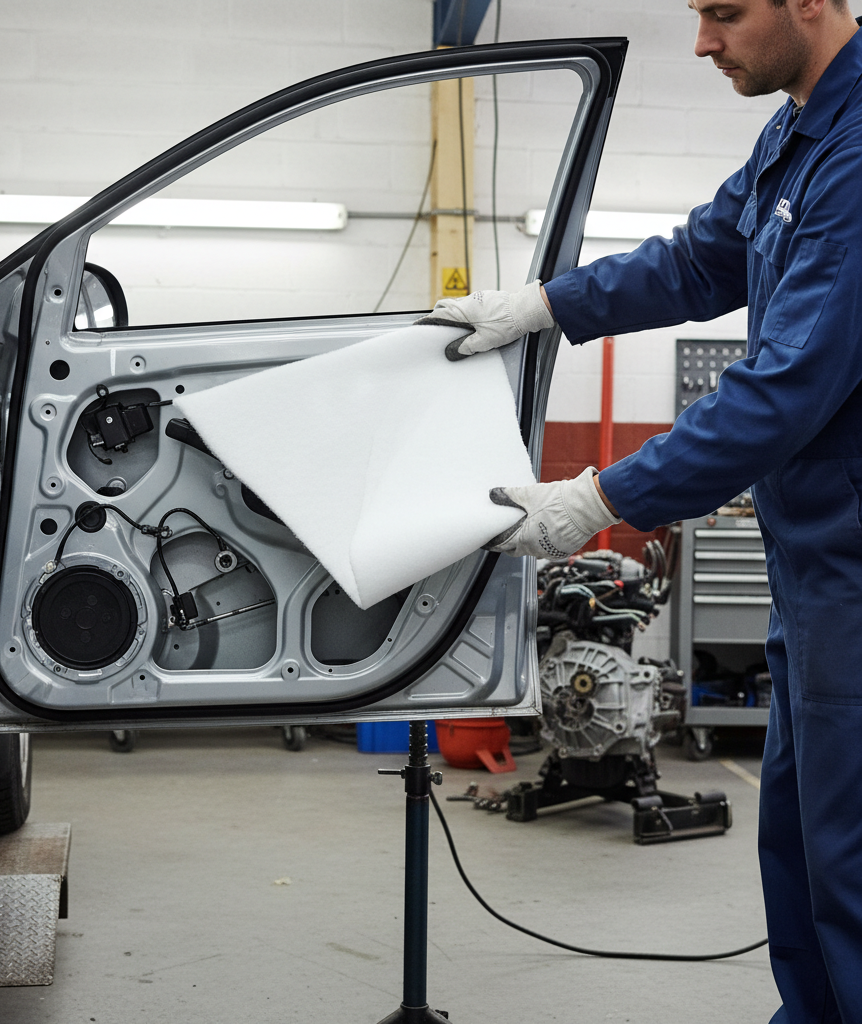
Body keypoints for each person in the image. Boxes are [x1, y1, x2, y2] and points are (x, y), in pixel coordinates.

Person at [422, 1, 862, 1020]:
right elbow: (700, 258)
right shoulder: (794, 134)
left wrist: (598, 499)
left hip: (850, 565)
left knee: (847, 853)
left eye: (723, 13)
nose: (703, 43)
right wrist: (545, 305)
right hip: (815, 568)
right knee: (797, 837)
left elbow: (784, 388)